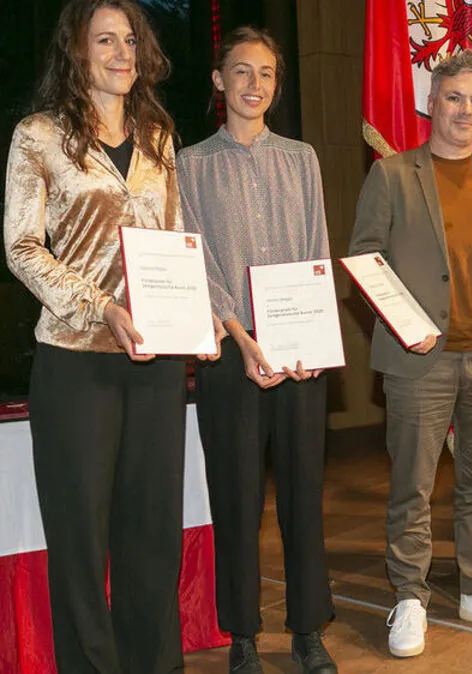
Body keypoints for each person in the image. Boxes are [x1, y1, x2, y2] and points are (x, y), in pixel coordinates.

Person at [2, 1, 222, 671]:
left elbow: (176, 241)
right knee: (79, 543)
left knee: (151, 538)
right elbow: (21, 247)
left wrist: (201, 312)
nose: (122, 51)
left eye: (130, 39)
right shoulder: (39, 135)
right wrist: (102, 308)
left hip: (154, 362)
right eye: (106, 39)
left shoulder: (158, 133)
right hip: (76, 364)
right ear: (77, 51)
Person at [348, 49, 472, 657]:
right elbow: (365, 260)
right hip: (419, 361)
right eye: (454, 98)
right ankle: (409, 595)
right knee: (412, 484)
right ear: (431, 103)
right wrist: (407, 327)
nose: (465, 110)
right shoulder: (392, 174)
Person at [177, 27, 337, 673]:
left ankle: (308, 630)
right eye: (241, 72)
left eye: (266, 73)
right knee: (236, 500)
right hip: (228, 359)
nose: (253, 85)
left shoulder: (301, 158)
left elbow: (315, 248)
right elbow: (196, 262)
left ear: (276, 83)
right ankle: (242, 634)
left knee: (304, 499)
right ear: (219, 81)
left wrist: (309, 339)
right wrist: (242, 338)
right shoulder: (189, 165)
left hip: (298, 359)